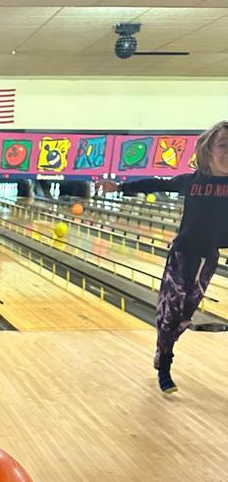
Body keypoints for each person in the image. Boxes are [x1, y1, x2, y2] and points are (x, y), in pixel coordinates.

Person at [101, 120, 228, 393]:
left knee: (184, 316)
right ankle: (165, 363)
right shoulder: (193, 181)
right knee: (171, 313)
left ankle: (165, 346)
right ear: (208, 151)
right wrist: (120, 188)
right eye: (223, 145)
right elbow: (156, 184)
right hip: (182, 255)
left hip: (208, 259)